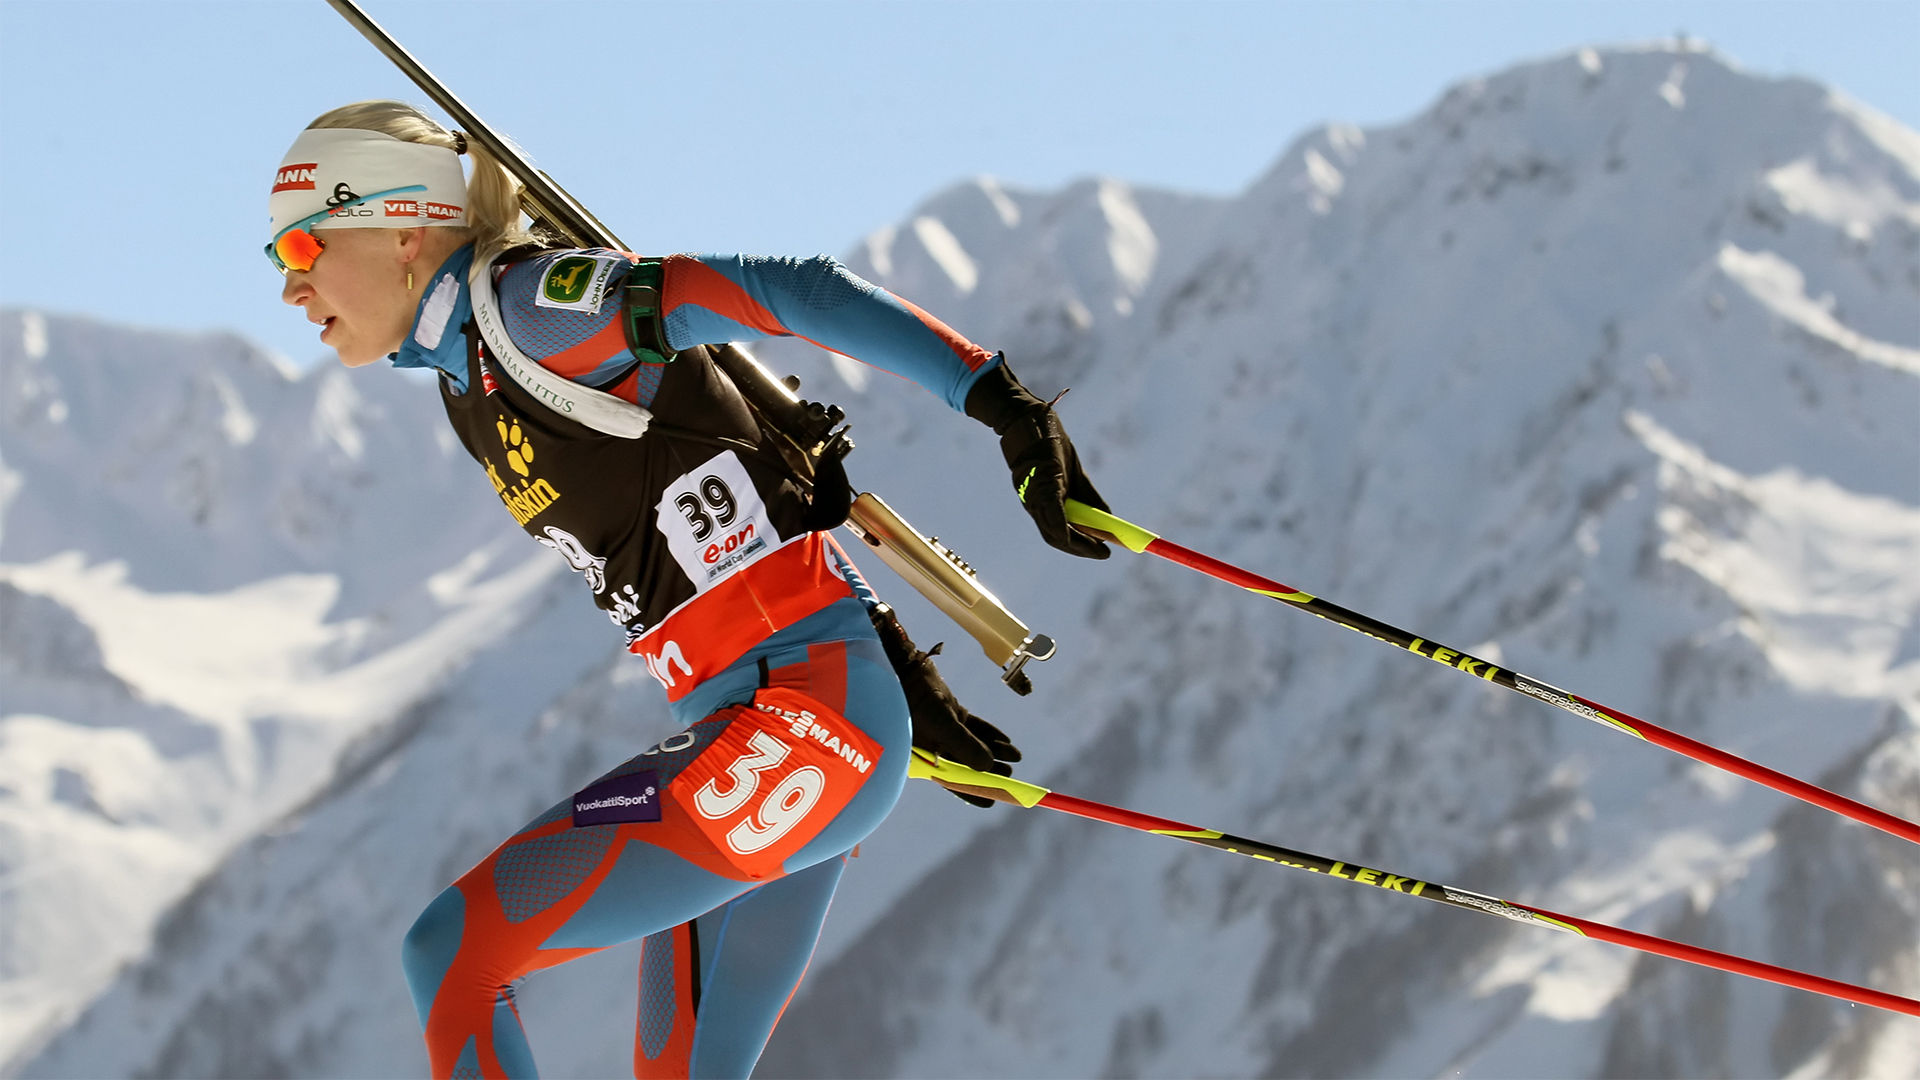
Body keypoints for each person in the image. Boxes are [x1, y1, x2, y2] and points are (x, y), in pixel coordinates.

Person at [268, 101, 1110, 1079]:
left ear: (403, 227)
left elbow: (785, 288)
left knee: (453, 955)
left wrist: (1001, 404)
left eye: (303, 245)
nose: (289, 285)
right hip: (767, 718)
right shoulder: (468, 376)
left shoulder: (533, 314)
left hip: (802, 719)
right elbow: (744, 509)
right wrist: (897, 664)